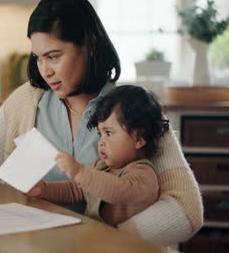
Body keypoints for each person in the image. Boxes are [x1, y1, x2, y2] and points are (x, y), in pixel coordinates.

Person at [0, 0, 203, 246]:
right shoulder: (28, 101)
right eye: (38, 58)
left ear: (88, 44)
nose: (45, 71)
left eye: (54, 56)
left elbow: (187, 208)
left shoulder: (135, 108)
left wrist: (106, 243)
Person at [46, 85, 166, 227]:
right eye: (99, 134)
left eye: (108, 133)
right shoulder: (102, 166)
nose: (101, 141)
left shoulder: (143, 174)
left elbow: (119, 191)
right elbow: (76, 190)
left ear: (139, 139)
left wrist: (80, 172)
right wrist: (44, 190)